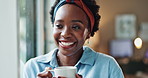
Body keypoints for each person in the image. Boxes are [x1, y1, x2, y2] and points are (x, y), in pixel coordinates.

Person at [23, 0, 124, 78]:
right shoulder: (33, 67)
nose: (65, 34)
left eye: (76, 27)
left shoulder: (108, 66)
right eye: (59, 25)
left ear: (88, 32)